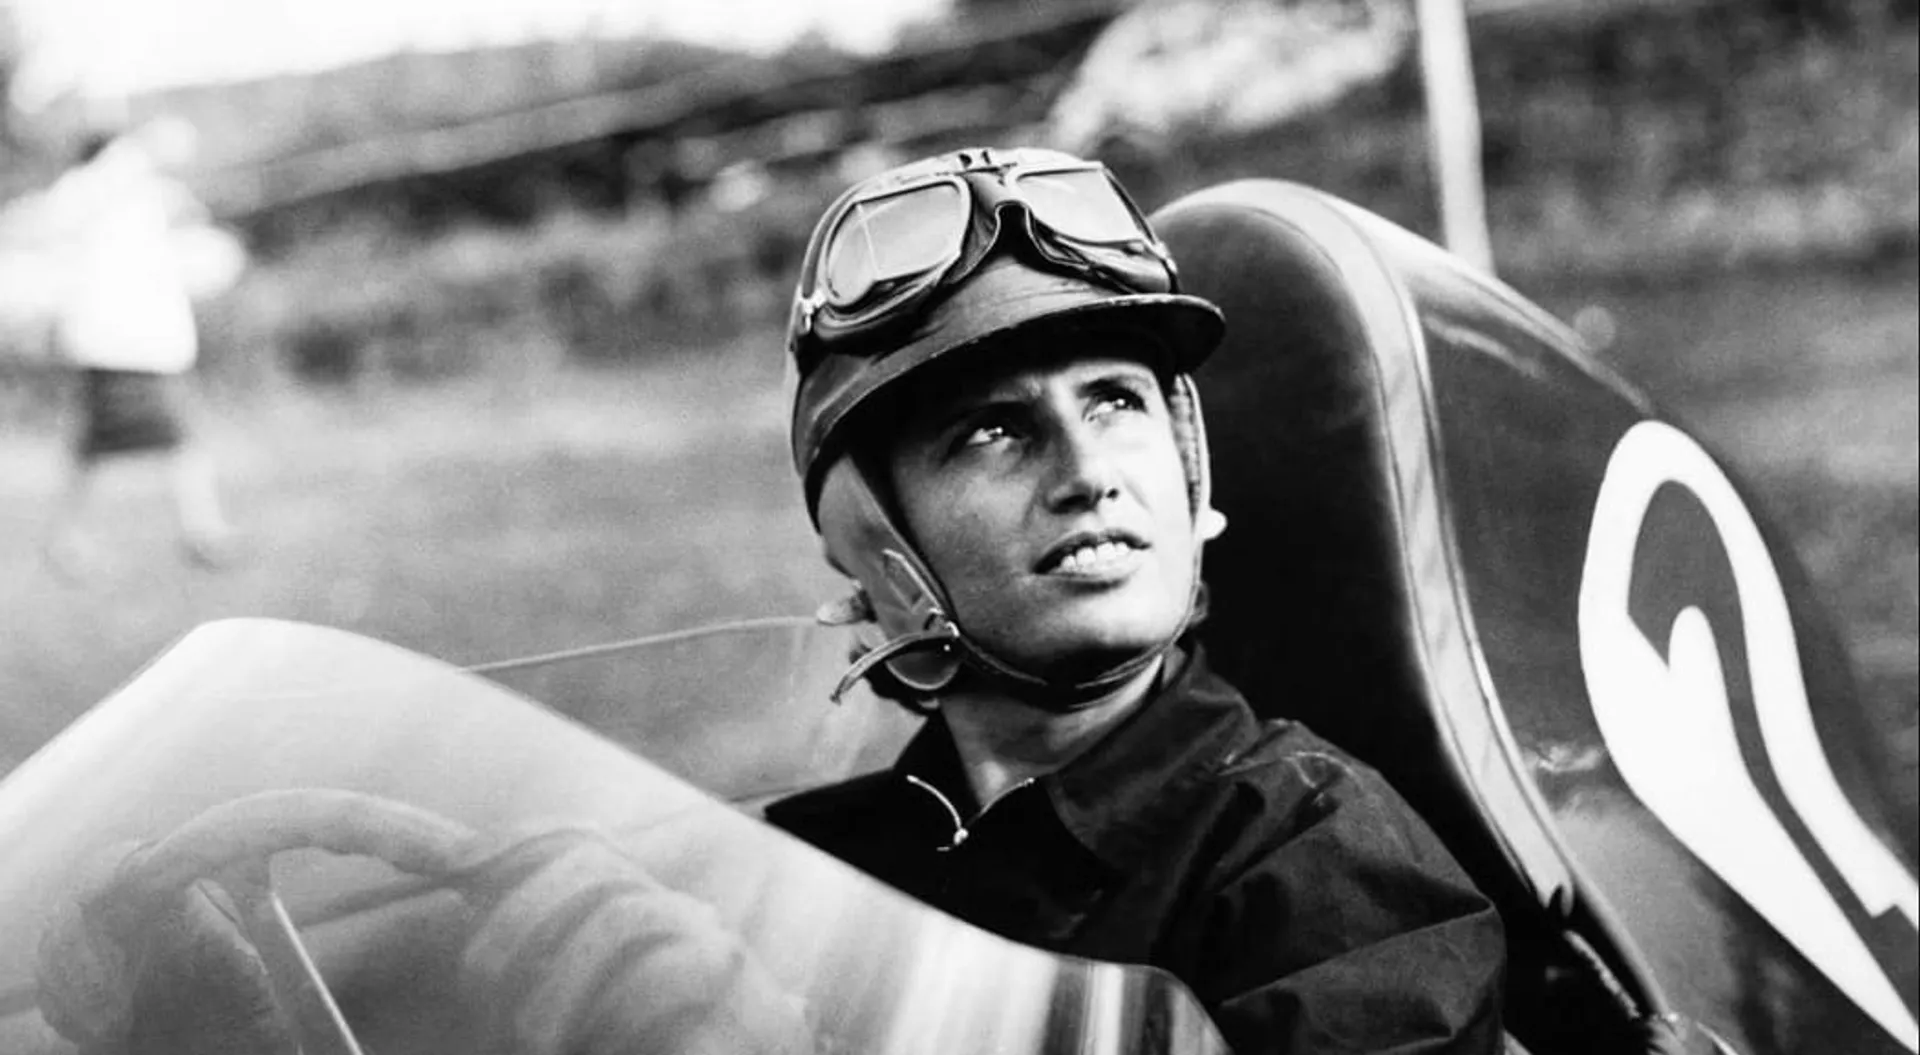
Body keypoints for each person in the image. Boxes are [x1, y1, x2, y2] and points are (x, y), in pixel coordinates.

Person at [759, 145, 1507, 1053]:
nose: (1089, 474)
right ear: (876, 536)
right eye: (994, 430)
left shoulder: (1320, 865)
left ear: (1190, 465)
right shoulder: (809, 876)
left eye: (1115, 401)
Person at [35, 119, 238, 579]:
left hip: (134, 346)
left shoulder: (132, 197)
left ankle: (195, 529)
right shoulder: (90, 190)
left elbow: (183, 214)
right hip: (122, 347)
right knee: (165, 440)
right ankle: (197, 530)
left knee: (137, 443)